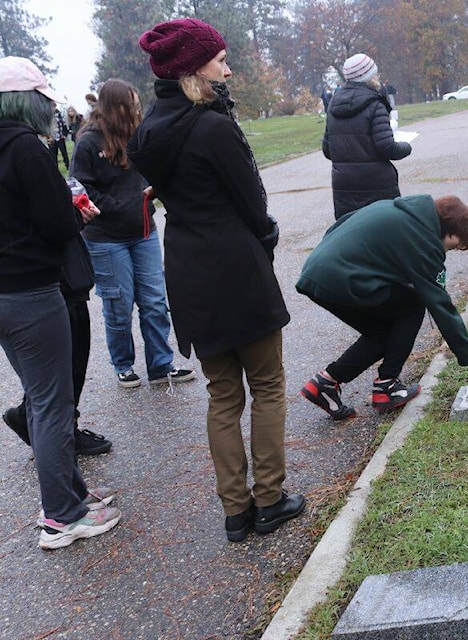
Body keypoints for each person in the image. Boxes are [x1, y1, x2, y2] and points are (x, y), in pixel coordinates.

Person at [129, 18, 304, 542]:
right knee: (268, 384)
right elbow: (253, 204)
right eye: (220, 59)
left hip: (186, 265)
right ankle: (269, 500)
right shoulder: (213, 125)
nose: (228, 67)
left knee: (222, 393)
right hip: (234, 265)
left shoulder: (148, 132)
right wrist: (266, 239)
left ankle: (235, 511)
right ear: (192, 68)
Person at [0, 56, 121, 549]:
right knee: (51, 404)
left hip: (6, 292)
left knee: (43, 396)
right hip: (30, 288)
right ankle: (61, 516)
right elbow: (55, 222)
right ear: (29, 101)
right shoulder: (25, 148)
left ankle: (71, 493)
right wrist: (77, 219)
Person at [296, 195, 468, 420]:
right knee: (412, 306)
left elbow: (341, 223)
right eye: (451, 247)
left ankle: (325, 383)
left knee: (384, 332)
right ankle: (387, 386)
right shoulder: (424, 239)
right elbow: (441, 307)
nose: (446, 253)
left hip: (315, 271)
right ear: (448, 231)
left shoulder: (399, 208)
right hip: (341, 279)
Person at [71, 79, 196, 389]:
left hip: (144, 233)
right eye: (132, 104)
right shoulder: (88, 142)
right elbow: (79, 187)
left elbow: (155, 168)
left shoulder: (138, 134)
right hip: (105, 238)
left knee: (154, 300)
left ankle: (160, 364)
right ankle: (123, 364)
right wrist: (118, 205)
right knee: (119, 304)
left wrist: (158, 187)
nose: (138, 109)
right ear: (115, 108)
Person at [323, 53, 411, 219]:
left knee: (353, 233)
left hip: (344, 185)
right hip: (377, 184)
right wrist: (406, 146)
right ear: (369, 76)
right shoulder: (375, 104)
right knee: (383, 231)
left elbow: (328, 149)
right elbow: (387, 148)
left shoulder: (333, 105)